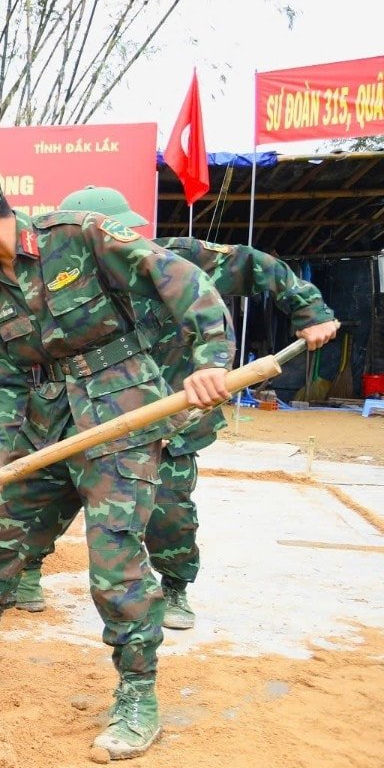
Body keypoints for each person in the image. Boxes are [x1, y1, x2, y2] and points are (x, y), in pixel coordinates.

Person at [0, 159, 233, 761]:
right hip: (46, 424)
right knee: (1, 525)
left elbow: (181, 280)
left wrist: (211, 357)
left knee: (113, 558)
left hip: (121, 416)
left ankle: (138, 696)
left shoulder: (81, 236)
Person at [49, 185, 340, 630]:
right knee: (45, 495)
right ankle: (22, 574)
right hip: (90, 414)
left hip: (174, 416)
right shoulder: (57, 285)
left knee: (168, 511)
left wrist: (310, 311)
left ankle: (174, 585)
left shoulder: (178, 259)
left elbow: (256, 265)